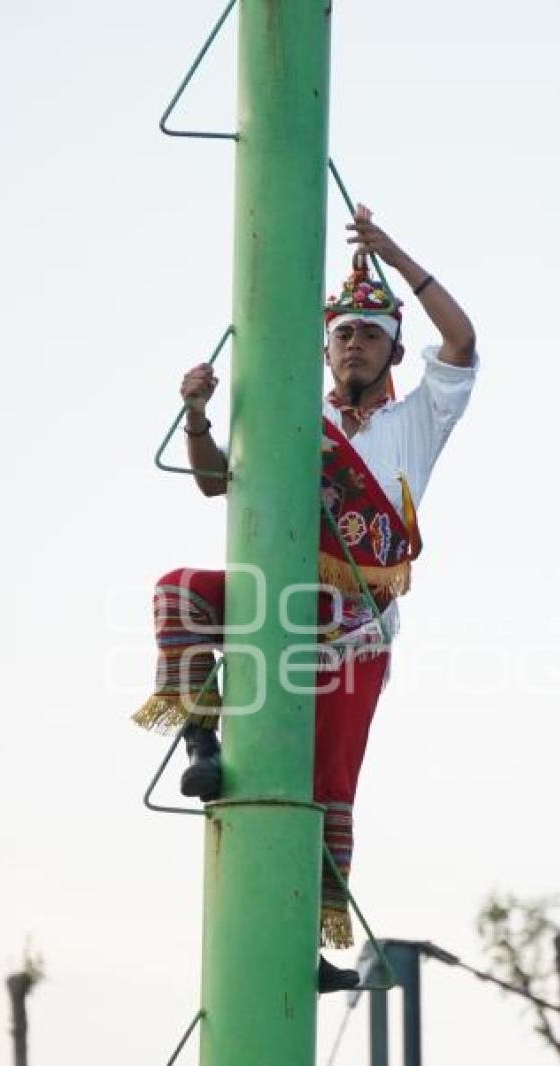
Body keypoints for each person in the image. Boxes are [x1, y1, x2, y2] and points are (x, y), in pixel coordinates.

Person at [132, 205, 477, 991]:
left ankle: (307, 945)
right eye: (342, 334)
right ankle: (200, 742)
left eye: (368, 334)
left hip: (356, 624)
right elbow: (218, 482)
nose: (353, 345)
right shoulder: (298, 416)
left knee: (328, 784)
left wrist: (394, 253)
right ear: (326, 348)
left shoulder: (417, 416)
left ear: (391, 346)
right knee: (179, 594)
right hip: (283, 595)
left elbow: (460, 342)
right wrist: (194, 418)